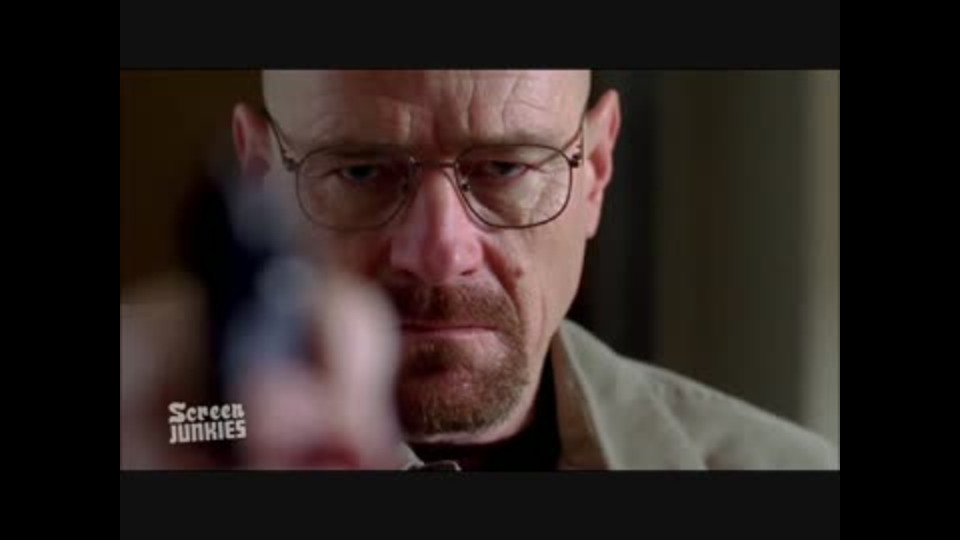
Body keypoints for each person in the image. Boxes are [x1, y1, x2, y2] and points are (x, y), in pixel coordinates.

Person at [120, 70, 838, 470]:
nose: (440, 252)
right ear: (259, 177)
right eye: (362, 171)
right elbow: (190, 425)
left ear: (596, 172)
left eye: (504, 168)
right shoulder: (199, 426)